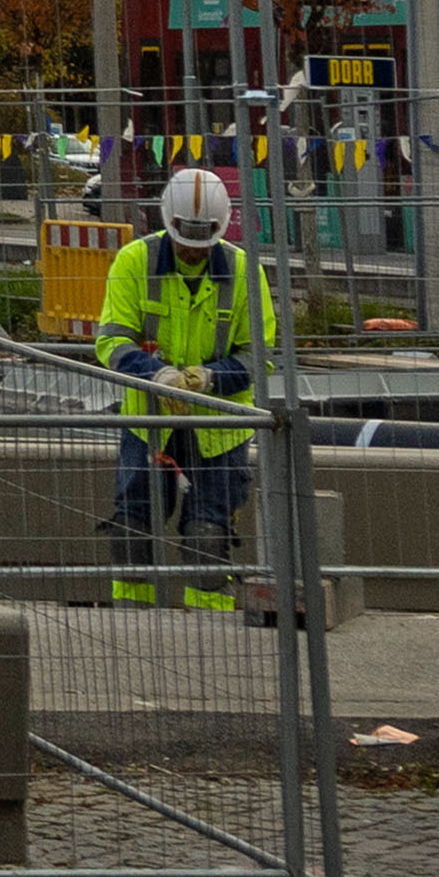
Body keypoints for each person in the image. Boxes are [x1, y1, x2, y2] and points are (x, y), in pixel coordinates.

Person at [94, 166, 281, 606]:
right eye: (184, 242)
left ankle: (211, 622)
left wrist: (210, 378)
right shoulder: (135, 261)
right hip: (149, 421)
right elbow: (112, 341)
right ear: (168, 222)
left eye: (202, 243)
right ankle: (131, 617)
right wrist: (156, 375)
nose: (193, 252)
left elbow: (259, 355)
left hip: (218, 427)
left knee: (207, 534)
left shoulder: (243, 271)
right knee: (132, 528)